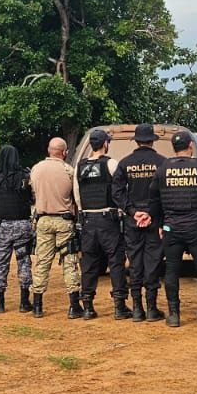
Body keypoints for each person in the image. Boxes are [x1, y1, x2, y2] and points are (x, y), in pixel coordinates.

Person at [148, 129, 197, 328]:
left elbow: (153, 199)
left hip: (171, 228)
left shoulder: (163, 168)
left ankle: (174, 315)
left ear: (174, 148)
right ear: (190, 146)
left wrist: (158, 225)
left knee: (172, 271)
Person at [111, 123, 166, 321]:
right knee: (152, 262)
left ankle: (136, 309)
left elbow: (116, 192)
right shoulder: (162, 162)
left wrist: (133, 212)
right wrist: (150, 213)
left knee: (134, 262)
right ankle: (151, 309)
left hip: (132, 221)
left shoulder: (125, 163)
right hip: (154, 220)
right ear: (152, 141)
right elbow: (165, 193)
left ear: (136, 141)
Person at [75, 128, 129, 320]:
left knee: (89, 263)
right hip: (109, 220)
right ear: (105, 144)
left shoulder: (79, 167)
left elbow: (77, 195)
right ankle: (119, 305)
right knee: (116, 261)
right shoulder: (111, 164)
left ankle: (88, 306)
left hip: (88, 220)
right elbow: (120, 190)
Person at [28, 137, 81, 318]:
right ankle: (74, 305)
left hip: (43, 220)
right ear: (64, 152)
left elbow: (33, 191)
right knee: (69, 262)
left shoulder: (36, 169)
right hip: (64, 221)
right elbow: (76, 198)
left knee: (42, 262)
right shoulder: (68, 171)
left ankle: (37, 305)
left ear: (49, 150)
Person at [0, 143, 34, 313]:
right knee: (24, 262)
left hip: (2, 226)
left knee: (0, 263)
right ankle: (24, 302)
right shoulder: (27, 177)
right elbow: (33, 198)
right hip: (22, 225)